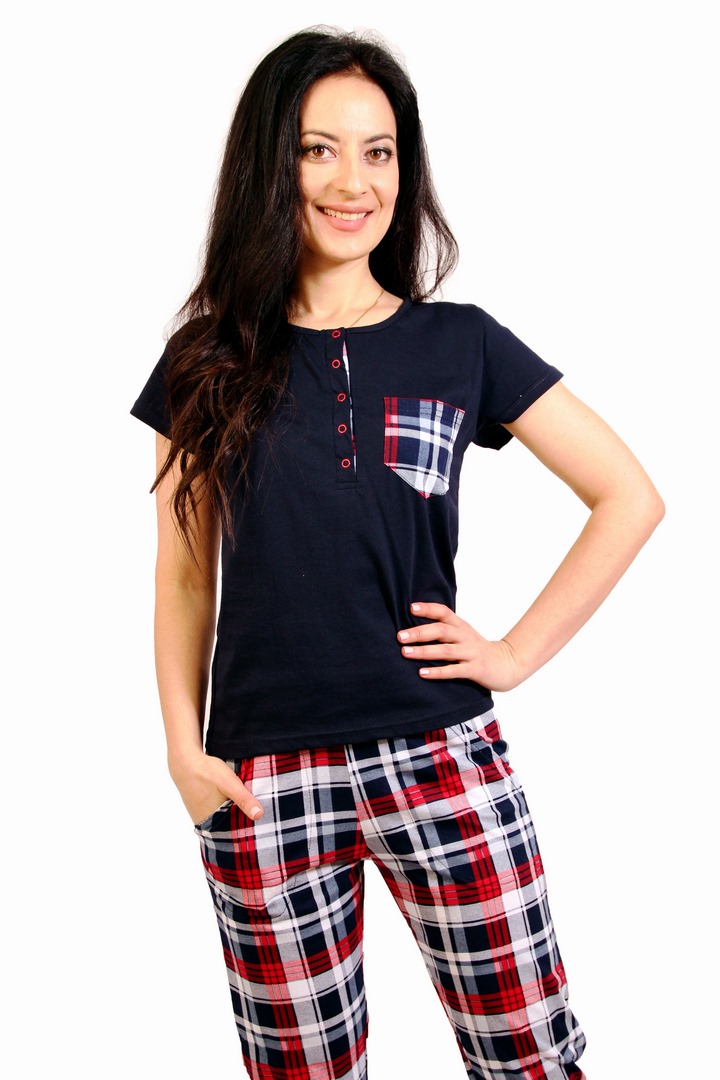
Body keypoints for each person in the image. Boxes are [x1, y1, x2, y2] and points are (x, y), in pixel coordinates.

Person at [131, 26, 663, 1080]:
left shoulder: (460, 343)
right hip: (262, 778)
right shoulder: (204, 360)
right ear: (270, 164)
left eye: (379, 152)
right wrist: (184, 754)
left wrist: (511, 654)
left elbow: (629, 497)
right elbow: (185, 573)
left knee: (531, 1060)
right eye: (318, 149)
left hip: (440, 754)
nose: (354, 181)